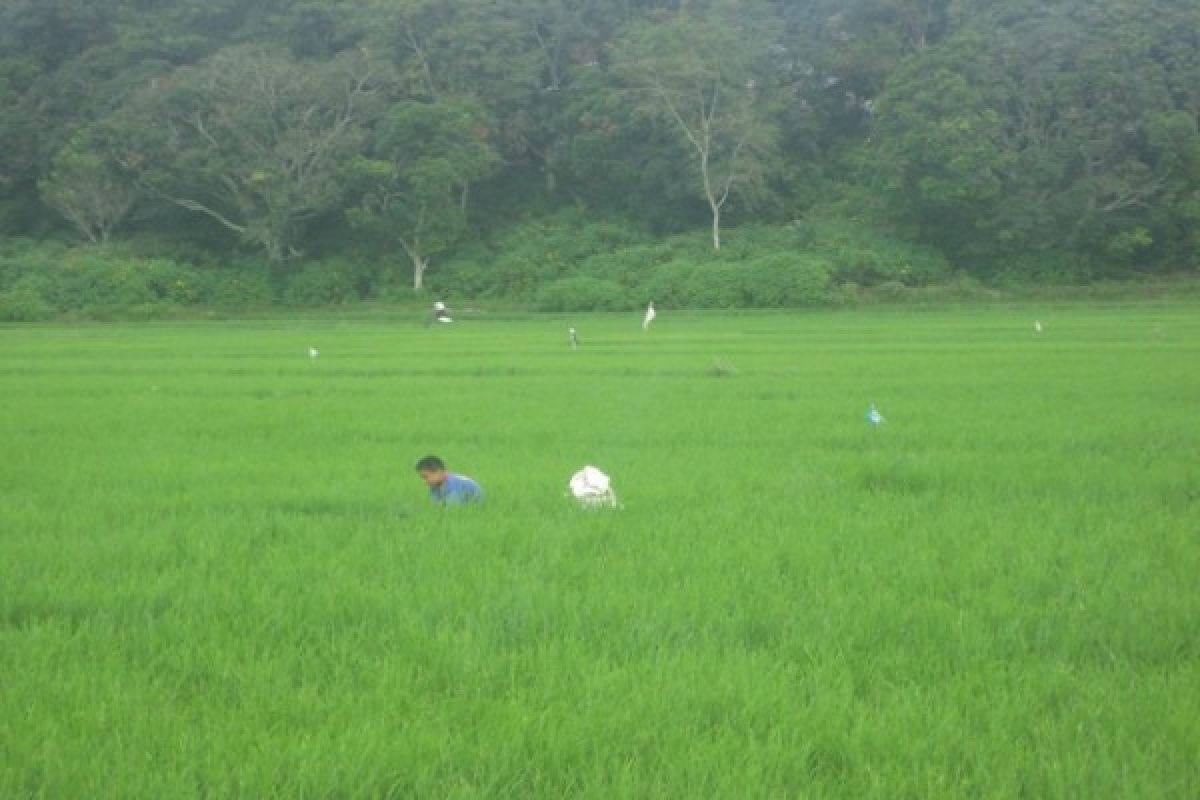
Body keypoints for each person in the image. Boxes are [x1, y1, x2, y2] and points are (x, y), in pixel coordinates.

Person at [415, 455, 483, 505]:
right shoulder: (435, 485)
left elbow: (452, 510)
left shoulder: (455, 485)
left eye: (425, 477)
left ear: (438, 472)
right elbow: (436, 507)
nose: (424, 482)